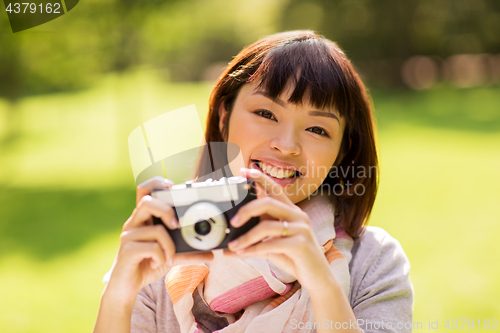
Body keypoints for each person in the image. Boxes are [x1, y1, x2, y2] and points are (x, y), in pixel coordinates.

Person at [93, 30, 413, 333]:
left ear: (342, 152)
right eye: (266, 113)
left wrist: (321, 279)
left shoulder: (373, 262)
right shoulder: (160, 254)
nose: (287, 145)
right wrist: (120, 295)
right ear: (224, 117)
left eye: (317, 130)